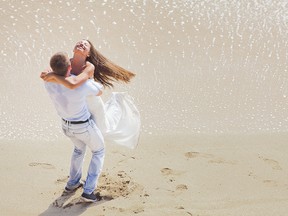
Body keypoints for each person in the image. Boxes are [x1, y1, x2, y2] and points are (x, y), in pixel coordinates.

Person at [41, 39, 141, 149]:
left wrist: (55, 77)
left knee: (103, 129)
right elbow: (44, 75)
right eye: (79, 42)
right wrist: (52, 75)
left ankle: (119, 103)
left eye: (86, 45)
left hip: (92, 102)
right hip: (78, 102)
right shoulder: (65, 63)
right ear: (73, 49)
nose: (82, 44)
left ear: (88, 54)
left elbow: (75, 83)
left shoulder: (89, 67)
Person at [43, 52, 105, 202]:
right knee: (99, 151)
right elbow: (100, 90)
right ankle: (88, 191)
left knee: (79, 149)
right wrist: (88, 73)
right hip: (83, 126)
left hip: (66, 126)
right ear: (70, 66)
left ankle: (72, 183)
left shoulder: (48, 81)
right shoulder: (82, 85)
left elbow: (59, 77)